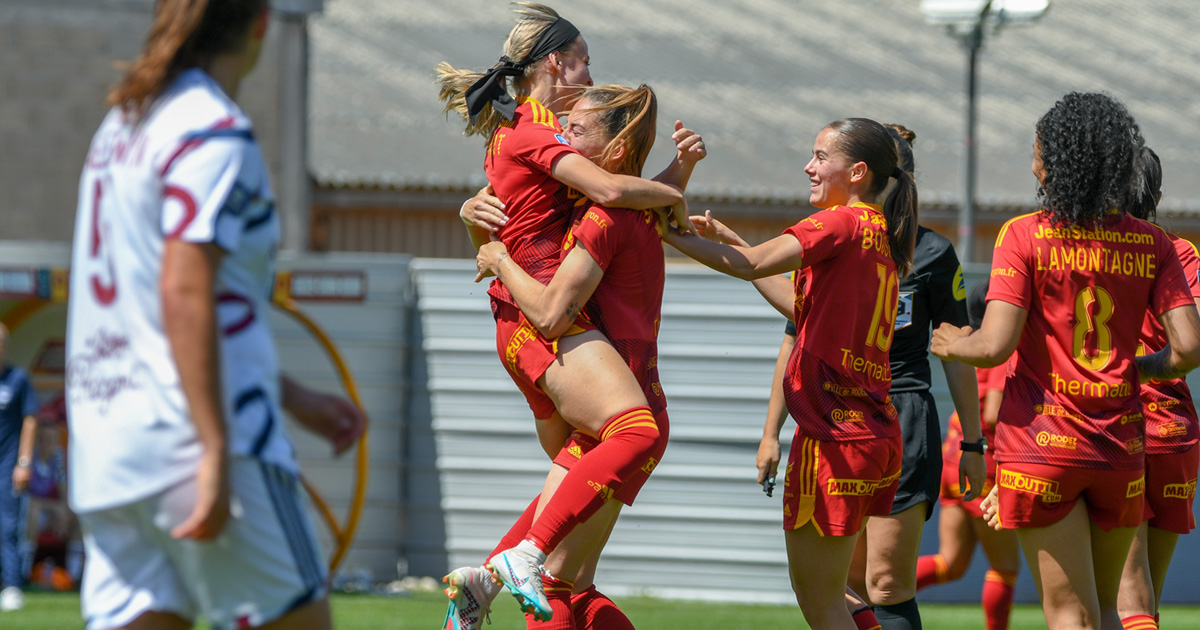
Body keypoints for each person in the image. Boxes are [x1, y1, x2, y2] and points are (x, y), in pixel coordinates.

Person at [66, 2, 366, 629]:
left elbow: (150, 302)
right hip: (199, 442)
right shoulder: (213, 129)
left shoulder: (122, 124)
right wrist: (214, 445)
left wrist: (291, 396)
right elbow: (183, 290)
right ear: (258, 22)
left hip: (109, 446)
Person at [435, 3, 694, 622]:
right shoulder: (536, 131)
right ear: (557, 61)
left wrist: (674, 177)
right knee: (632, 434)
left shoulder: (528, 129)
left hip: (532, 329)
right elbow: (608, 190)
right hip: (540, 325)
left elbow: (529, 206)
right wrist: (675, 191)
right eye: (584, 61)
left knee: (569, 575)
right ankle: (518, 555)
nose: (590, 75)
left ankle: (489, 575)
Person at [932, 92, 1200, 630]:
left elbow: (994, 347)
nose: (1032, 161)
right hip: (1122, 447)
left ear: (1058, 159)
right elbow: (1189, 348)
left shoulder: (1025, 234)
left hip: (1045, 444)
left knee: (1066, 616)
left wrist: (949, 343)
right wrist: (1137, 369)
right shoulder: (1156, 244)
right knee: (1114, 609)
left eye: (1037, 150)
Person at [664, 117, 917, 630]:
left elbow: (752, 264)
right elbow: (801, 309)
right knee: (839, 595)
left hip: (834, 437)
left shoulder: (839, 223)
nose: (809, 166)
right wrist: (731, 241)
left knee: (821, 608)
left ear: (858, 171)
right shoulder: (881, 236)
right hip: (874, 434)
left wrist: (669, 233)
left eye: (821, 156)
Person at [1116, 146, 1200, 630]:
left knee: (1125, 596)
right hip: (1175, 431)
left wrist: (1125, 373)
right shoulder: (1182, 251)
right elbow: (1190, 341)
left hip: (1115, 425)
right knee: (1147, 599)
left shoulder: (1094, 249)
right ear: (1159, 196)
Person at [915, 279, 1021, 630]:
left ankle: (873, 594)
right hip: (985, 463)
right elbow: (992, 413)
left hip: (952, 457)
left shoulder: (968, 345)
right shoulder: (1000, 351)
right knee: (1005, 568)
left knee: (951, 562)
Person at [0, 323, 39, 612]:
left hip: (8, 465)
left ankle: (12, 585)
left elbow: (30, 419)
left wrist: (23, 462)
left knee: (8, 526)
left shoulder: (18, 379)